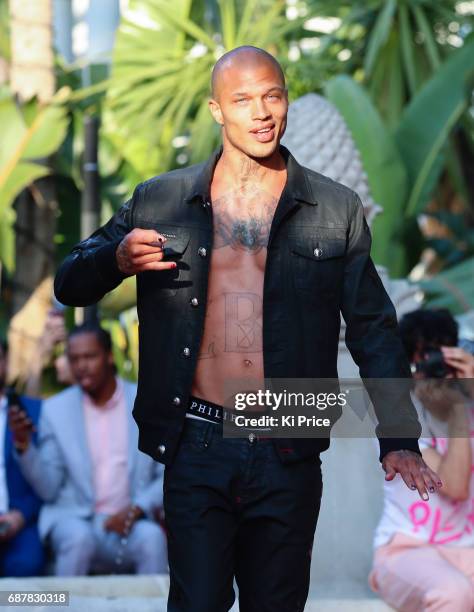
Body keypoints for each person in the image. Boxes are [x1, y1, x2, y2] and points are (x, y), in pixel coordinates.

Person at [52, 46, 441, 611]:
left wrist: (399, 437)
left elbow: (373, 328)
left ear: (284, 102)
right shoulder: (161, 199)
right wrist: (115, 259)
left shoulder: (334, 208)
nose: (261, 112)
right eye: (242, 100)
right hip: (198, 432)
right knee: (199, 602)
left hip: (287, 426)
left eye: (272, 96)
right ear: (217, 110)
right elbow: (69, 282)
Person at [10, 322, 167, 576]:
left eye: (89, 356)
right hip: (76, 519)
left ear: (108, 357)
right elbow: (48, 488)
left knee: (152, 540)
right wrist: (24, 445)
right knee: (78, 540)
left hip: (131, 520)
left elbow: (166, 473)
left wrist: (137, 508)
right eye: (74, 359)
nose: (81, 365)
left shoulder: (143, 401)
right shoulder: (56, 409)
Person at [369, 308, 474, 611]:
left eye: (437, 359)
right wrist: (457, 407)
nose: (431, 371)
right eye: (420, 361)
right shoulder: (400, 417)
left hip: (466, 550)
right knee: (454, 593)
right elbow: (454, 486)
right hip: (406, 550)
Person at [0, 340, 44, 576]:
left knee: (27, 568)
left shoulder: (35, 412)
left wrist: (22, 514)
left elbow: (51, 476)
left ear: (5, 363)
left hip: (21, 521)